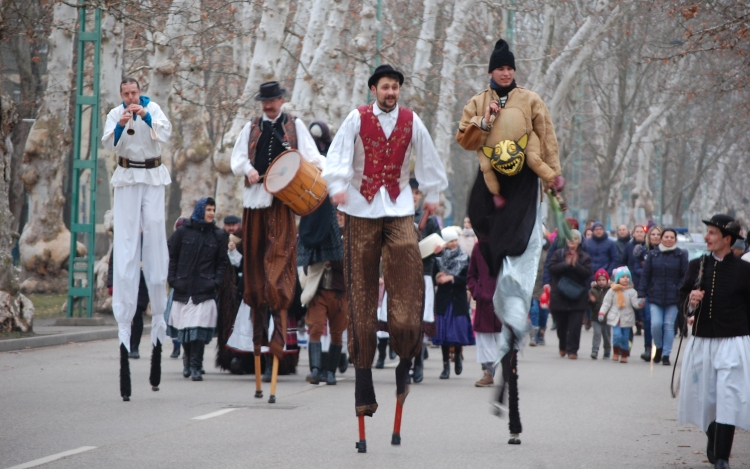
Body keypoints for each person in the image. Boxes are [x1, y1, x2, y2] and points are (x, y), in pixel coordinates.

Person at [323, 64, 448, 450]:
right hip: (360, 210)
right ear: (373, 89)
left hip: (396, 211)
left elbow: (427, 161)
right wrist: (338, 187)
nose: (390, 93)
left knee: (409, 280)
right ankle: (363, 385)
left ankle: (405, 354)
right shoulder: (356, 118)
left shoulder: (412, 122)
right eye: (385, 87)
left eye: (395, 87)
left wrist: (431, 195)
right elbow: (337, 157)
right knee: (360, 298)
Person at [456, 38, 563, 445]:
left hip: (523, 190)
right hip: (491, 188)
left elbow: (547, 136)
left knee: (518, 259)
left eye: (510, 68)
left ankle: (514, 327)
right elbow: (464, 140)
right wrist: (484, 122)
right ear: (491, 71)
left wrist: (552, 176)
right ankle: (506, 324)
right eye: (499, 68)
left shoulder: (530, 99)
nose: (505, 73)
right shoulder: (477, 101)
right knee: (490, 251)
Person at [230, 81, 324, 402]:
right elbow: (236, 159)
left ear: (282, 100)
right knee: (255, 271)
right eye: (264, 102)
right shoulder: (251, 127)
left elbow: (315, 159)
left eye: (272, 102)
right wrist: (247, 169)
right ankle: (257, 338)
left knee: (280, 271)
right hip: (254, 205)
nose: (268, 107)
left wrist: (304, 174)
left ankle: (278, 339)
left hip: (283, 206)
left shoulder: (295, 126)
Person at [102, 77, 172, 401]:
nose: (131, 98)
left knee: (155, 235)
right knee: (127, 246)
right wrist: (120, 124)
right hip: (128, 178)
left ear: (140, 92)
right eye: (126, 94)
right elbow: (108, 144)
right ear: (121, 95)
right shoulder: (116, 113)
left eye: (134, 93)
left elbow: (166, 134)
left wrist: (144, 117)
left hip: (153, 177)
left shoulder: (152, 108)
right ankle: (125, 333)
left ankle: (158, 330)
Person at [678, 214, 750, 469]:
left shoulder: (745, 271)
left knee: (728, 396)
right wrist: (691, 301)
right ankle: (713, 436)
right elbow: (683, 299)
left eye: (712, 233)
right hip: (703, 341)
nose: (706, 237)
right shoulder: (697, 266)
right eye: (707, 232)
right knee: (707, 397)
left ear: (727, 239)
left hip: (733, 342)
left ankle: (722, 456)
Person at [167, 198, 228, 381]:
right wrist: (173, 280)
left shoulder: (218, 235)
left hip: (205, 289)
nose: (211, 213)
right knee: (185, 330)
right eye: (208, 209)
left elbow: (222, 263)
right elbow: (171, 257)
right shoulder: (182, 233)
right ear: (200, 210)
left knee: (199, 331)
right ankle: (187, 359)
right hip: (183, 289)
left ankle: (195, 365)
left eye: (213, 209)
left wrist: (215, 282)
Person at [297, 192, 346, 386]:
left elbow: (350, 265)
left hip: (340, 292)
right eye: (335, 214)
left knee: (336, 332)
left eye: (340, 214)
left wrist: (332, 259)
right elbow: (307, 261)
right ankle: (316, 370)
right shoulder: (319, 234)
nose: (337, 217)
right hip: (319, 291)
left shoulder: (348, 237)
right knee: (315, 328)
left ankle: (330, 371)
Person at [637, 227, 688, 366]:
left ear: (675, 239)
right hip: (655, 295)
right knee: (656, 324)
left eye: (672, 237)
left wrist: (678, 289)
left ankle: (666, 354)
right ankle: (658, 346)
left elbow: (685, 275)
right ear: (661, 239)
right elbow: (645, 275)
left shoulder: (681, 254)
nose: (669, 239)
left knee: (668, 325)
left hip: (674, 297)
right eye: (666, 237)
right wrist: (641, 293)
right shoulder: (653, 255)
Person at [432, 227, 473, 379]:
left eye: (456, 240)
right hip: (443, 299)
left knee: (457, 332)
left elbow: (468, 279)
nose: (454, 243)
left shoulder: (464, 257)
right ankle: (445, 366)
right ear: (445, 243)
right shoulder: (438, 258)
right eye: (450, 241)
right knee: (443, 335)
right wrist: (438, 277)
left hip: (458, 299)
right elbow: (432, 276)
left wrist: (451, 278)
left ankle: (457, 356)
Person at [412, 179, 441, 383]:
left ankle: (418, 363)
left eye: (417, 193)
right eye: (411, 192)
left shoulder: (429, 219)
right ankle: (407, 362)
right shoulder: (398, 215)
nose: (414, 196)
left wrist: (439, 246)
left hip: (424, 272)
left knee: (421, 319)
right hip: (403, 273)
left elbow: (439, 241)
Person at [548, 229, 592, 359]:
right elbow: (551, 269)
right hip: (560, 295)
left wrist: (576, 265)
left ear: (579, 241)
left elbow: (587, 273)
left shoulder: (584, 256)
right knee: (561, 326)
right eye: (569, 239)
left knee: (575, 326)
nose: (572, 242)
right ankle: (563, 345)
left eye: (575, 239)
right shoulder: (558, 254)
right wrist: (566, 264)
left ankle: (573, 350)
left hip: (577, 296)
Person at [215, 215, 248, 374]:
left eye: (234, 225)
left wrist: (234, 251)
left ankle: (242, 359)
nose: (231, 228)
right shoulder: (220, 239)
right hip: (225, 291)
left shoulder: (246, 240)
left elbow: (242, 264)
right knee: (226, 326)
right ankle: (228, 359)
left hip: (241, 289)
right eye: (228, 225)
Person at [467, 241, 502, 386]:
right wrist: (477, 292)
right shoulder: (478, 247)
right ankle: (488, 373)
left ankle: (509, 371)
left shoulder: (509, 244)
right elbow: (471, 275)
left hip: (504, 300)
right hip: (484, 301)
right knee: (484, 338)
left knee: (505, 339)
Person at [599, 267, 643, 363]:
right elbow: (606, 303)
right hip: (615, 317)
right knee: (617, 335)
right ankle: (615, 352)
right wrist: (602, 312)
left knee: (625, 337)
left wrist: (639, 303)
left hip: (627, 317)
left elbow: (635, 304)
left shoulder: (632, 291)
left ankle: (624, 354)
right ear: (618, 278)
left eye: (627, 277)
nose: (626, 279)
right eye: (623, 277)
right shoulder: (612, 291)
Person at [636, 225, 662, 360]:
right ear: (648, 237)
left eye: (658, 234)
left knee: (659, 322)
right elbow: (636, 269)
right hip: (646, 289)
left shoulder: (666, 252)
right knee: (647, 319)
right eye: (653, 235)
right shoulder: (642, 251)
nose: (656, 237)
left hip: (662, 290)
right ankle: (647, 348)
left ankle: (660, 348)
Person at [589, 269, 611, 359]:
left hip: (607, 317)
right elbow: (589, 304)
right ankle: (595, 351)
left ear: (607, 280)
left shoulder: (610, 290)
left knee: (606, 335)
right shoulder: (593, 290)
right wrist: (590, 300)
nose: (601, 282)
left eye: (603, 280)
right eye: (599, 280)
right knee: (597, 333)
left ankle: (607, 350)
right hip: (596, 316)